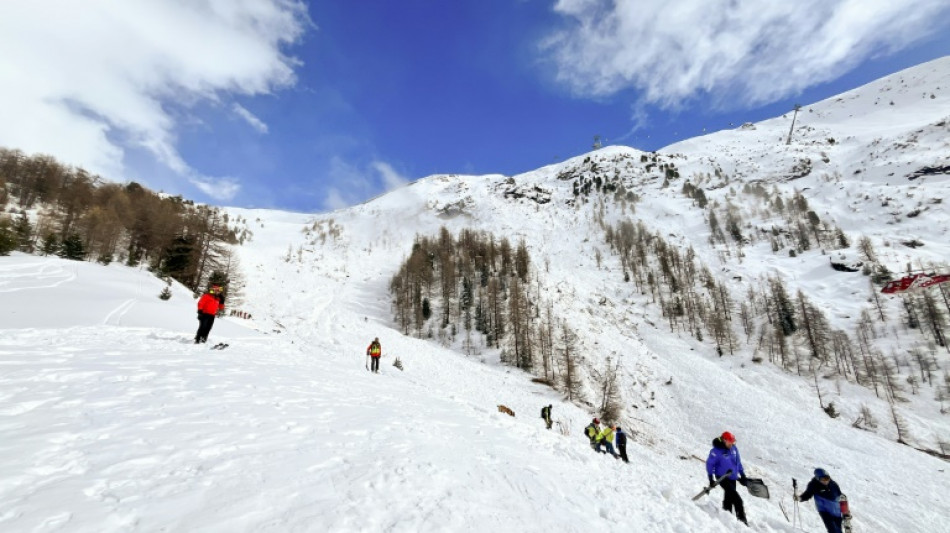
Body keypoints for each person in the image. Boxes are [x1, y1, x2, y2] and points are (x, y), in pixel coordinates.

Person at [705, 431, 748, 525]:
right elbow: (710, 464)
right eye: (729, 442)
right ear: (724, 440)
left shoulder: (734, 449)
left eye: (732, 442)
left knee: (729, 498)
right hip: (722, 477)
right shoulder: (716, 451)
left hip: (732, 477)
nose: (731, 444)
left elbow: (738, 462)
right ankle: (742, 521)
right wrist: (710, 478)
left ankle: (726, 516)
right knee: (738, 500)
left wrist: (742, 475)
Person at [797, 468, 844, 533]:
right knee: (832, 530)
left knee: (838, 531)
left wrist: (845, 512)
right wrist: (800, 498)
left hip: (836, 512)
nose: (826, 481)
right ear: (817, 478)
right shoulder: (814, 485)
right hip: (824, 511)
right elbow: (808, 494)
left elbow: (841, 497)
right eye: (823, 479)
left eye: (827, 478)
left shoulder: (834, 485)